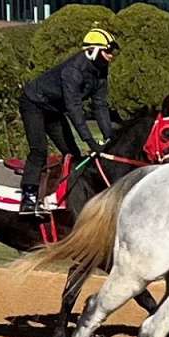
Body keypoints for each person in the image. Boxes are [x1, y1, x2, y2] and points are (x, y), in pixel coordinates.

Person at [18, 26, 119, 215]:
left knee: (72, 154)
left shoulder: (100, 72)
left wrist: (109, 137)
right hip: (33, 104)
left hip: (53, 109)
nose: (111, 56)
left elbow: (100, 106)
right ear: (93, 50)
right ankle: (28, 199)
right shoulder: (73, 71)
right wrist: (89, 141)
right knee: (39, 150)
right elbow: (74, 109)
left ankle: (66, 197)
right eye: (107, 51)